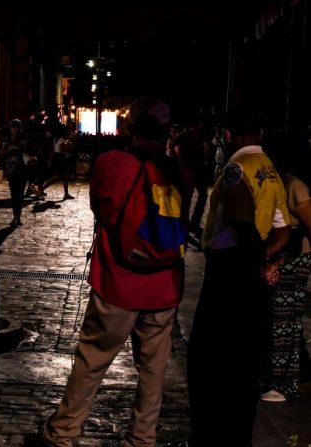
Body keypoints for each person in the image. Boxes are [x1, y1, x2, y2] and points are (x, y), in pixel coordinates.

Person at [34, 98, 192, 447]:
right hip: (164, 286)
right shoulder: (179, 170)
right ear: (168, 132)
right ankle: (142, 437)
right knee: (153, 369)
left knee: (91, 361)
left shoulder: (113, 163)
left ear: (130, 129)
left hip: (119, 284)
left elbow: (102, 212)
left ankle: (63, 432)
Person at [188, 106, 290, 445]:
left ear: (228, 135)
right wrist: (266, 258)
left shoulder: (237, 169)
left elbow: (242, 224)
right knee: (246, 362)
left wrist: (251, 260)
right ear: (260, 134)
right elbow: (282, 231)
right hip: (251, 276)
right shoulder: (270, 170)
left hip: (228, 274)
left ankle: (212, 435)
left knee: (210, 361)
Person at [259, 149, 311, 403]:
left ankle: (283, 384)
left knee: (285, 322)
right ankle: (276, 378)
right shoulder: (277, 183)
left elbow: (307, 227)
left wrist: (282, 260)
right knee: (277, 320)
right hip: (281, 257)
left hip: (293, 259)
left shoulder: (294, 186)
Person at [0, 119, 27, 226]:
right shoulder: (7, 140)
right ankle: (15, 216)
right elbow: (2, 153)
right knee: (14, 195)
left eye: (17, 127)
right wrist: (11, 149)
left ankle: (18, 216)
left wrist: (20, 148)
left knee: (20, 195)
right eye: (13, 127)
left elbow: (27, 151)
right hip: (11, 170)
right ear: (10, 128)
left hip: (22, 169)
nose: (15, 129)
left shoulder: (23, 139)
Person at [39, 124, 74, 200]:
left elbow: (53, 150)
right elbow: (62, 150)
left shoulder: (56, 138)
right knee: (57, 176)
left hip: (57, 157)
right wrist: (68, 146)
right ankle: (41, 189)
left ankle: (66, 193)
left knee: (65, 176)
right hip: (60, 158)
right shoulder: (62, 139)